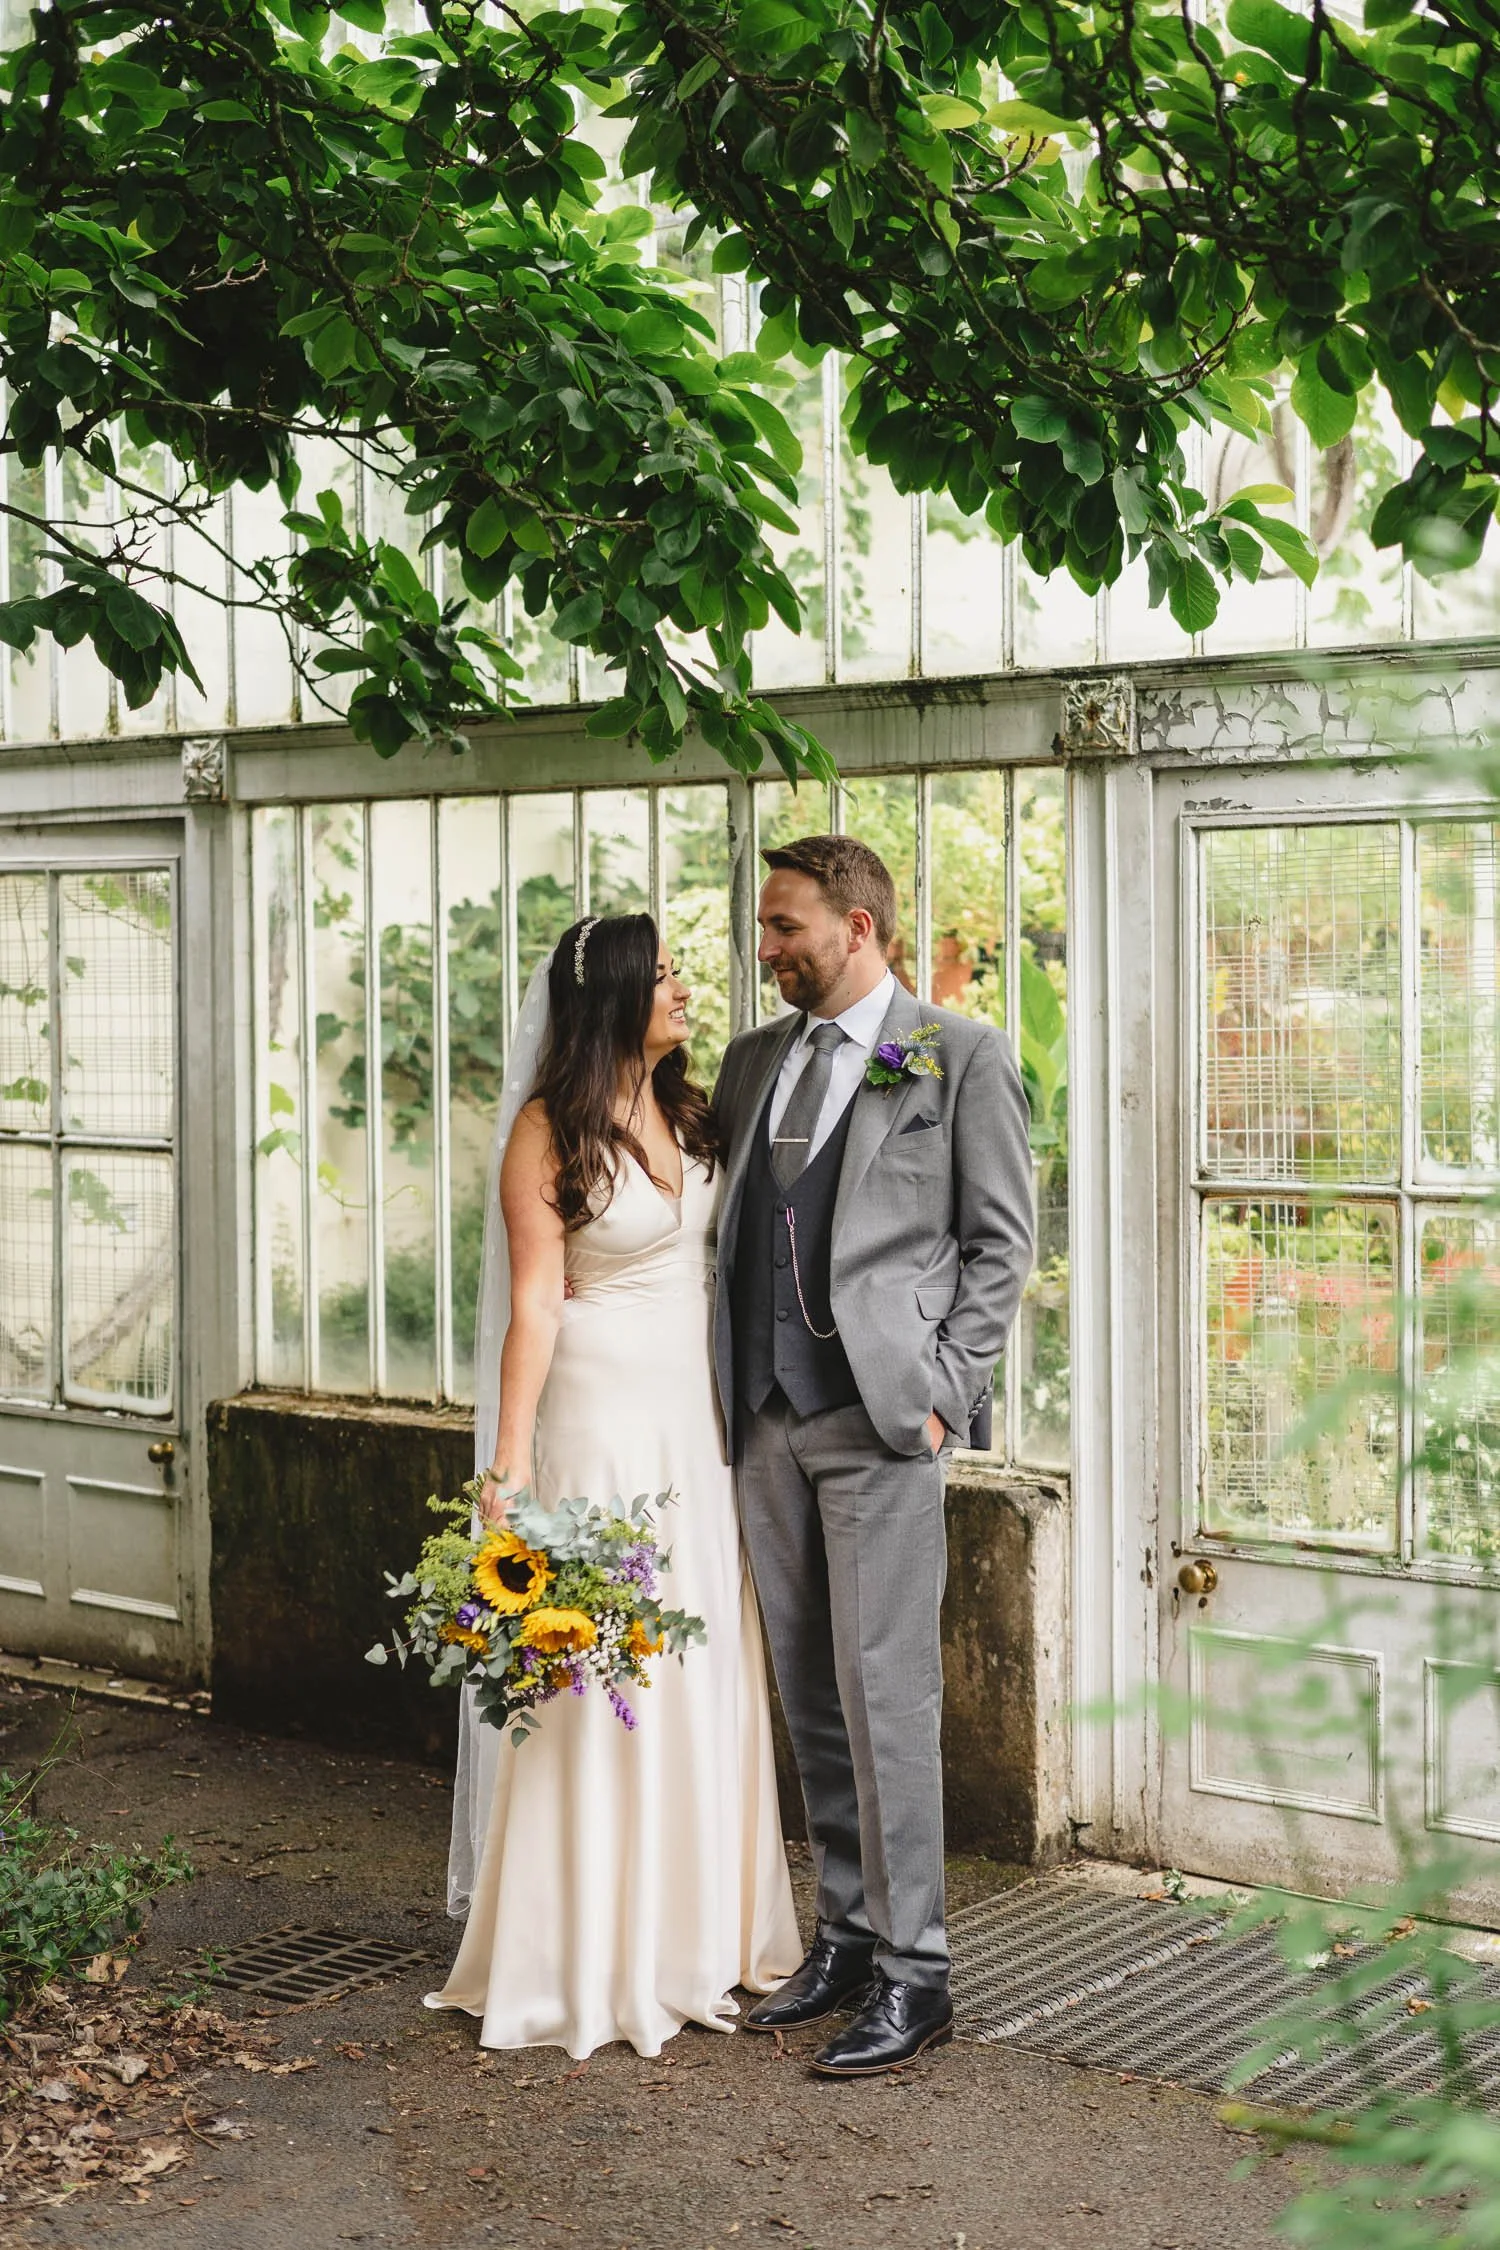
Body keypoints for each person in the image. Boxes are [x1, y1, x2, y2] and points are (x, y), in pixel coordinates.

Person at [428, 914, 800, 2059]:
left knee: (696, 1659)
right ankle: (585, 1947)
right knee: (606, 1670)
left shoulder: (692, 1108)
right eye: (668, 975)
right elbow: (537, 1301)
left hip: (696, 1423)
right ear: (616, 996)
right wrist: (511, 1464)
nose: (687, 989)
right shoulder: (548, 1132)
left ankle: (698, 1934)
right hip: (599, 1420)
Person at [713, 835, 1035, 2078]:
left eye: (785, 926)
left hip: (883, 1421)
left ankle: (919, 1972)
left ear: (857, 925)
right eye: (763, 927)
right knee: (810, 1692)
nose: (766, 948)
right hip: (763, 1420)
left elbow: (1001, 1243)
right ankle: (846, 1937)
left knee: (886, 1694)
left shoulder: (958, 1055)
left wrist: (949, 1392)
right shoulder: (752, 1062)